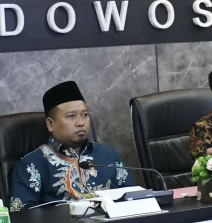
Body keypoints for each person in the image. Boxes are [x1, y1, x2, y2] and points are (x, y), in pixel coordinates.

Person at [9, 81, 135, 212]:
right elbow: (21, 215)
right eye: (71, 116)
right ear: (51, 124)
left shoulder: (108, 155)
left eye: (85, 115)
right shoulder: (31, 165)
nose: (81, 123)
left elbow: (133, 197)